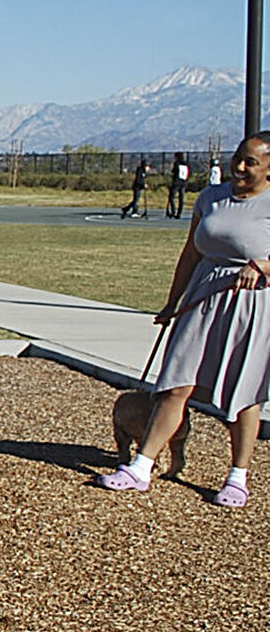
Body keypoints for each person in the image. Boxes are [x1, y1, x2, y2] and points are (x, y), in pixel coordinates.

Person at [95, 131, 270, 507]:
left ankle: (237, 478)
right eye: (238, 157)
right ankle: (141, 467)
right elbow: (191, 254)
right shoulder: (211, 197)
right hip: (203, 295)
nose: (239, 166)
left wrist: (263, 264)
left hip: (251, 305)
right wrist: (172, 302)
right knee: (176, 383)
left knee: (243, 394)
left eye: (250, 162)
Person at [168, 153, 190, 219]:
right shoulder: (186, 164)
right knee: (181, 198)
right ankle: (179, 213)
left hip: (176, 182)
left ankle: (173, 211)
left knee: (171, 197)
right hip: (183, 183)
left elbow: (173, 171)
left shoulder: (177, 163)